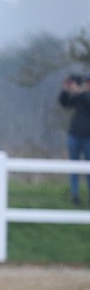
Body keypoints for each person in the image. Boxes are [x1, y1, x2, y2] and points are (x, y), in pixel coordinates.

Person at [59, 74, 90, 205]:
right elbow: (65, 103)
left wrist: (79, 93)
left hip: (88, 138)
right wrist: (66, 90)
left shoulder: (84, 97)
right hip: (75, 135)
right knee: (74, 166)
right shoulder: (81, 97)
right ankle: (74, 195)